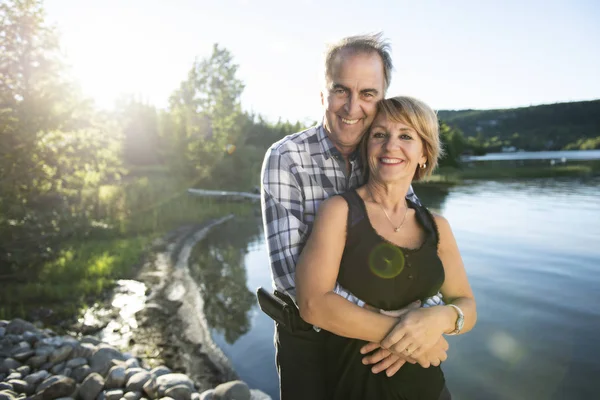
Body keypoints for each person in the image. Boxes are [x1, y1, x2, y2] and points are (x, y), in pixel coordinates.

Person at [260, 34, 447, 400]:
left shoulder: (386, 154)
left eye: (367, 94)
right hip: (310, 342)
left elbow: (417, 248)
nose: (352, 107)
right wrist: (396, 329)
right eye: (341, 90)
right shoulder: (286, 159)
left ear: (382, 99)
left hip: (380, 351)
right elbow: (290, 280)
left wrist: (429, 318)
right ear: (322, 94)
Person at [295, 96, 477, 399]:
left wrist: (439, 319)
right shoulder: (339, 211)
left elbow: (467, 305)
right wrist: (409, 337)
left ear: (424, 153)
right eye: (380, 135)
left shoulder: (437, 226)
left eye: (406, 136)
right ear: (367, 147)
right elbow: (313, 304)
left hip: (429, 388)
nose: (391, 145)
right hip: (357, 386)